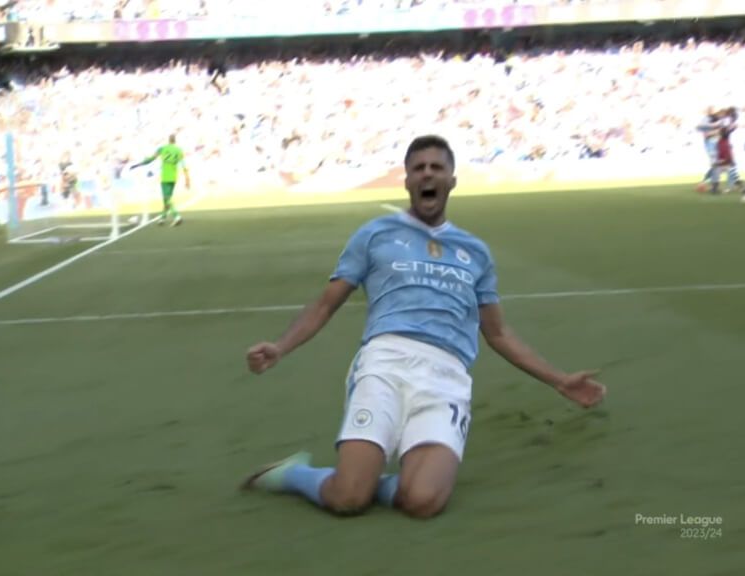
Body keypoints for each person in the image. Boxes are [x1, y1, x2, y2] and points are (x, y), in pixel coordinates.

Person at [241, 135, 607, 519]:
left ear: (451, 180)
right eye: (418, 168)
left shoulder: (476, 252)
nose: (427, 175)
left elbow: (498, 332)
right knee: (348, 498)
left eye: (436, 168)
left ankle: (372, 478)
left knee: (424, 501)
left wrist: (558, 380)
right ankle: (294, 473)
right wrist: (281, 347)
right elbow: (325, 303)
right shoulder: (374, 234)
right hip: (385, 362)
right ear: (407, 181)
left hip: (447, 374)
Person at [131, 134, 190, 226]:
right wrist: (187, 178)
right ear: (175, 140)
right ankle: (162, 218)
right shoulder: (179, 150)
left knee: (167, 198)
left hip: (165, 176)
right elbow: (184, 165)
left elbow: (150, 159)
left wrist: (138, 164)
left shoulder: (162, 148)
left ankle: (177, 216)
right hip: (174, 176)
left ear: (168, 140)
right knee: (166, 198)